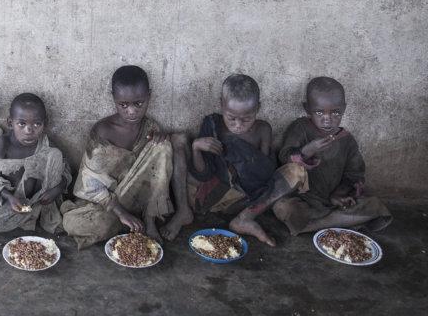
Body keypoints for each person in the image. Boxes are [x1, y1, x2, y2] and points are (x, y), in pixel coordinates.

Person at [177, 74, 309, 247]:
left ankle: (245, 219)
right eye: (231, 118)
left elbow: (265, 172)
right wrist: (196, 148)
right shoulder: (213, 126)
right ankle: (244, 217)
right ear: (222, 104)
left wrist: (245, 164)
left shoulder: (263, 129)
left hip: (248, 200)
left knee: (296, 171)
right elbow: (203, 174)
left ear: (258, 108)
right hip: (216, 198)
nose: (238, 124)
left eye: (247, 118)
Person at [60, 66, 186, 247]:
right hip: (108, 201)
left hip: (137, 198)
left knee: (163, 145)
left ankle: (149, 220)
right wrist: (120, 212)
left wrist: (160, 140)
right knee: (73, 223)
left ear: (149, 96)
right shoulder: (103, 131)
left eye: (139, 103)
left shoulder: (151, 129)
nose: (131, 111)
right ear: (114, 98)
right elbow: (89, 184)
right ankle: (127, 221)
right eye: (123, 105)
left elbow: (153, 179)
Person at [273, 77, 391, 235]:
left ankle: (313, 226)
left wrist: (339, 194)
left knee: (375, 206)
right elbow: (284, 158)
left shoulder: (347, 140)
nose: (327, 119)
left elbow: (355, 173)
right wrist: (307, 150)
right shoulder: (300, 128)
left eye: (335, 112)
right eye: (319, 112)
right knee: (282, 207)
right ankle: (336, 223)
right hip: (303, 200)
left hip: (335, 201)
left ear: (344, 109)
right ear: (307, 108)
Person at [0, 93, 71, 234]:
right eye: (22, 124)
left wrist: (57, 189)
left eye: (37, 124)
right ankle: (29, 216)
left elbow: (66, 170)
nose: (29, 130)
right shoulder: (4, 143)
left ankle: (37, 215)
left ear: (45, 123)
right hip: (17, 203)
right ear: (10, 123)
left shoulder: (46, 145)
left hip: (42, 201)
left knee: (55, 154)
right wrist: (9, 197)